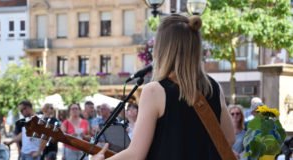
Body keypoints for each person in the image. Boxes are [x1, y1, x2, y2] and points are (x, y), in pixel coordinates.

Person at [91, 14, 235, 160]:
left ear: (162, 49)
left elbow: (135, 155)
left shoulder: (154, 91)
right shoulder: (213, 88)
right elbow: (229, 139)